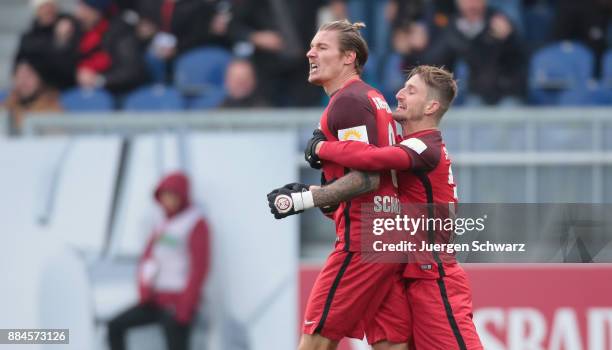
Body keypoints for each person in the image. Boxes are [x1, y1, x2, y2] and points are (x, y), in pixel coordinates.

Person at [306, 65, 483, 349]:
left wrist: (320, 148)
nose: (399, 93)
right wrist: (319, 194)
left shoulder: (425, 148)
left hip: (435, 277)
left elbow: (371, 159)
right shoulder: (409, 146)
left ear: (431, 106)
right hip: (406, 272)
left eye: (411, 90)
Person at [266, 19, 410, 350]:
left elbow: (366, 179)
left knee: (315, 342)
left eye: (321, 47)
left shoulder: (348, 101)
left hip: (364, 239)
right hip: (388, 236)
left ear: (348, 57)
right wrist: (330, 193)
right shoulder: (371, 97)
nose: (309, 52)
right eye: (311, 45)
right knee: (392, 344)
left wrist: (305, 199)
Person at [108, 172, 210, 350]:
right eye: (164, 195)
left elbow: (199, 268)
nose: (168, 200)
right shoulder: (162, 222)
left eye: (172, 195)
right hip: (155, 300)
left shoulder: (196, 223)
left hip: (179, 303)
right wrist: (144, 289)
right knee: (115, 326)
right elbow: (148, 258)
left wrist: (185, 307)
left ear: (182, 196)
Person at [75, 0, 148, 93]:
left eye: (84, 9)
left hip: (118, 92)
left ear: (97, 11)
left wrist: (98, 80)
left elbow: (131, 71)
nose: (78, 14)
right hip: (87, 88)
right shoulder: (82, 29)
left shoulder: (120, 31)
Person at [15, 0, 80, 90]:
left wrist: (61, 41)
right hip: (37, 89)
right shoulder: (29, 36)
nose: (47, 11)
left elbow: (68, 68)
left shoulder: (71, 28)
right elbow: (18, 64)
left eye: (50, 7)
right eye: (43, 7)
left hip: (63, 87)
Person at [3, 59, 62, 132]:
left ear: (40, 79)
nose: (23, 81)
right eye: (19, 76)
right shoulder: (7, 107)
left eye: (29, 76)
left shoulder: (52, 110)